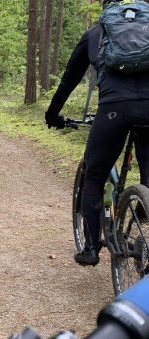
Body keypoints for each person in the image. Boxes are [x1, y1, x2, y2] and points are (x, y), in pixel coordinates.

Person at [45, 0, 149, 267]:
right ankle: (143, 211)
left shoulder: (95, 33)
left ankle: (90, 248)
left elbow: (69, 79)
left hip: (114, 109)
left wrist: (52, 114)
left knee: (93, 176)